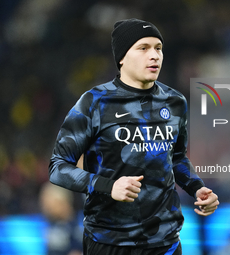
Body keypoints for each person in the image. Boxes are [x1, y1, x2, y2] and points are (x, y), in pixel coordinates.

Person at [49, 18, 219, 255]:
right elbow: (58, 167)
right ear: (121, 57)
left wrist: (196, 188)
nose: (155, 55)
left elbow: (177, 158)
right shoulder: (94, 102)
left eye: (158, 48)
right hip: (109, 243)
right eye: (143, 48)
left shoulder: (175, 102)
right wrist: (108, 186)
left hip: (165, 243)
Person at [39, 182, 83, 255]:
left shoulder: (77, 226)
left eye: (50, 204)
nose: (46, 208)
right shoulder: (50, 224)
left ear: (62, 202)